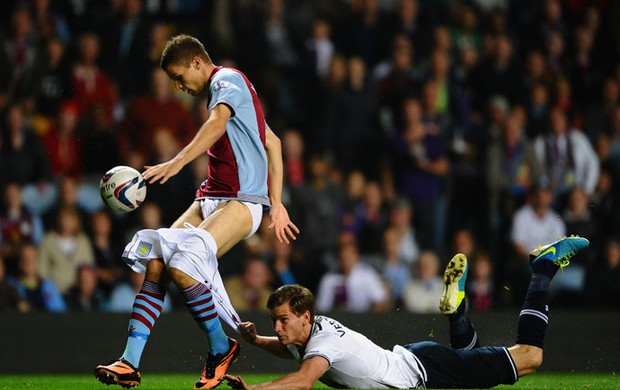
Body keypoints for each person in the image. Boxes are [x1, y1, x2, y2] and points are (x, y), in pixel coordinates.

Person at [94, 34, 299, 389]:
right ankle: (129, 361)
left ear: (196, 63)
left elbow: (218, 124)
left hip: (242, 201)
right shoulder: (231, 93)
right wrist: (278, 202)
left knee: (184, 263)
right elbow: (273, 143)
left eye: (178, 76)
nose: (177, 86)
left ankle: (221, 347)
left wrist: (176, 161)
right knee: (158, 260)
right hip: (210, 198)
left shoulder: (227, 81)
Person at [224, 235, 589, 389]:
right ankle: (457, 310)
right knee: (471, 362)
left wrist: (255, 388)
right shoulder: (306, 332)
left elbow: (304, 381)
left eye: (282, 319)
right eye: (275, 320)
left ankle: (543, 268)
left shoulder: (321, 345)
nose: (278, 326)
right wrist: (259, 340)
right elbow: (286, 346)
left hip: (424, 370)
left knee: (530, 357)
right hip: (418, 361)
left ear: (305, 316)